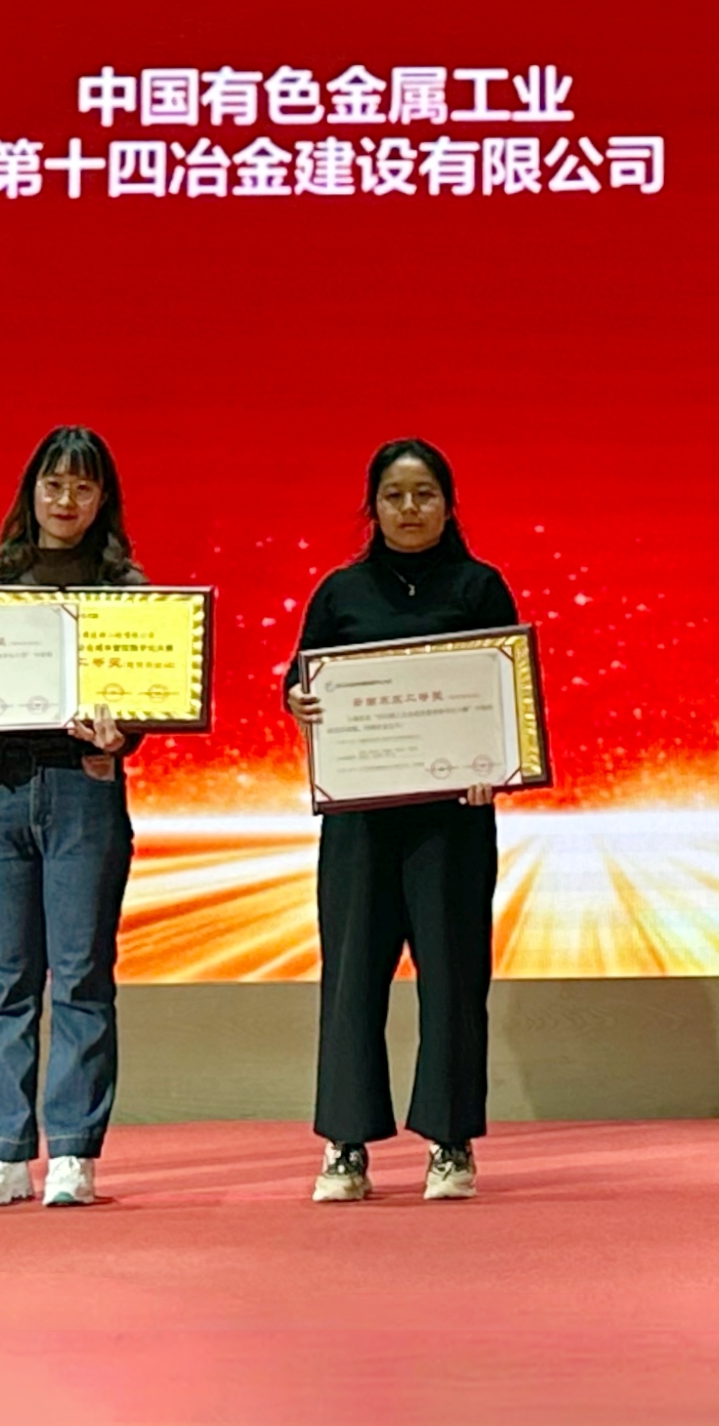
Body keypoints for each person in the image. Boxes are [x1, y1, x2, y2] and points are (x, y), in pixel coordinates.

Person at [281, 438, 519, 1205]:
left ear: (448, 504)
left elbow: (507, 690)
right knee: (352, 979)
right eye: (393, 495)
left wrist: (497, 760)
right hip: (360, 821)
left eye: (424, 494)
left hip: (453, 820)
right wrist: (297, 699)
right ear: (372, 506)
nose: (409, 508)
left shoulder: (480, 586)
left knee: (453, 977)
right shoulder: (340, 591)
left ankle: (451, 1141)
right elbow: (301, 679)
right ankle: (345, 1144)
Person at [0, 426, 147, 1212]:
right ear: (31, 491)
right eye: (53, 484)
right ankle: (2, 1151)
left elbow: (146, 699)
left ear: (102, 498)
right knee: (6, 977)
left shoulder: (127, 589)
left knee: (82, 973)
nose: (66, 500)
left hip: (85, 788)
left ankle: (74, 1152)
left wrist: (120, 734)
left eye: (83, 486)